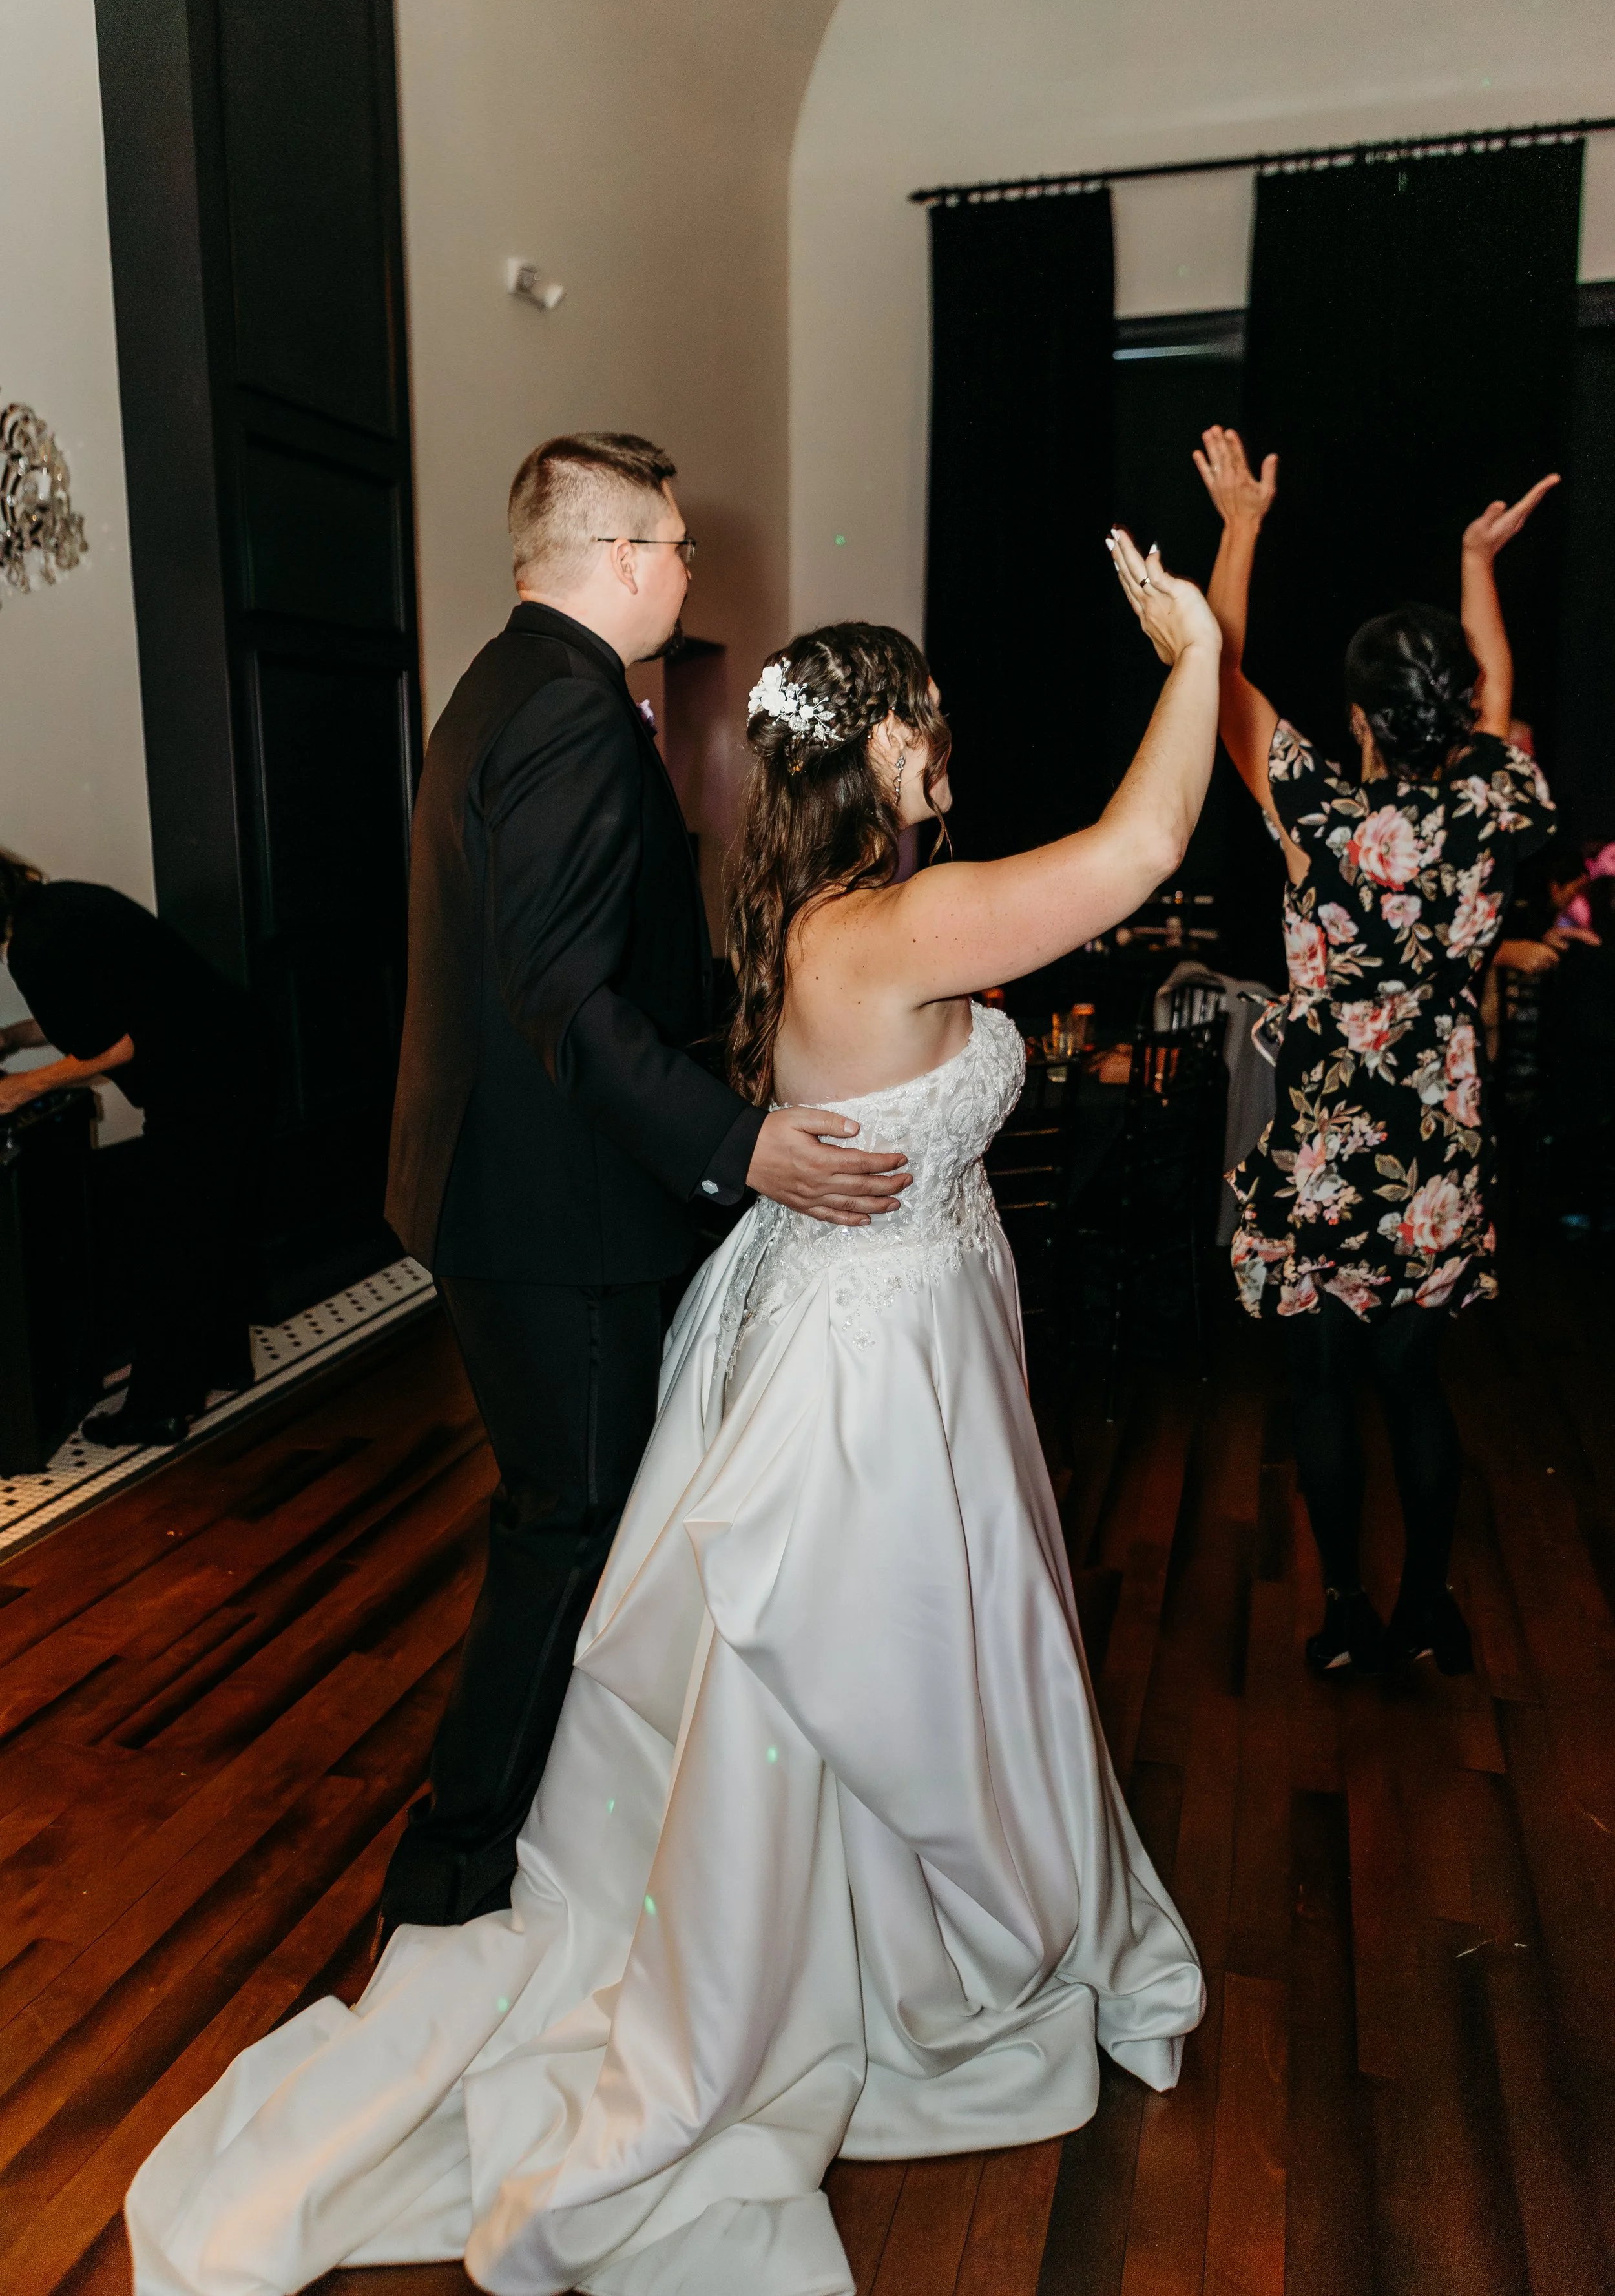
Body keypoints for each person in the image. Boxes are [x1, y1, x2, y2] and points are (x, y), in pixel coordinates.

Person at [125, 530, 1216, 2296]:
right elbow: (1147, 845)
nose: (948, 744)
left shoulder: (812, 911)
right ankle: (901, 1956)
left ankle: (864, 1927)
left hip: (884, 1321)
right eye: (926, 722)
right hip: (874, 1371)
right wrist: (1194, 649)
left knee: (873, 1678)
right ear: (869, 747)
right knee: (886, 1673)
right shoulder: (897, 920)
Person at [377, 434, 915, 1942]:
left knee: (575, 1516)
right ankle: (462, 1866)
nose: (689, 567)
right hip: (551, 1210)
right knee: (571, 1520)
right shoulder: (568, 716)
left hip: (505, 1190)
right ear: (618, 556)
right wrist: (739, 1143)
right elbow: (565, 997)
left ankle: (542, 1825)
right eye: (676, 544)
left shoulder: (503, 687)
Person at [1194, 426, 1556, 1677]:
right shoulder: (1489, 806)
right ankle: (1428, 1607)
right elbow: (1498, 704)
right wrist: (1476, 564)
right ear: (1451, 713)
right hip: (1435, 1148)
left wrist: (1239, 524)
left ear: (1350, 715)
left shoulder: (1315, 816)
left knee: (1320, 1387)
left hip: (1321, 1149)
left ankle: (1342, 1609)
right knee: (1414, 1386)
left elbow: (1218, 674)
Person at [0, 853, 271, 1444]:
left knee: (173, 1242)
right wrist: (12, 1039)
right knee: (209, 1224)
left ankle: (158, 1408)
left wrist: (24, 1085)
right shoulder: (62, 904)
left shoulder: (32, 948)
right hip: (235, 1052)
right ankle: (223, 1363)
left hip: (199, 1081)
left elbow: (118, 1046)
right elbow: (100, 1003)